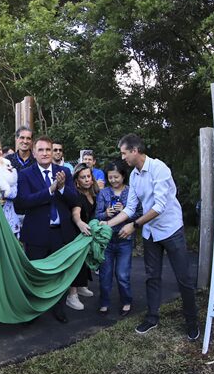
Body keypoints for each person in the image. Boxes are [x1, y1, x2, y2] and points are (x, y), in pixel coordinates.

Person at [104, 134, 199, 340]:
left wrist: (135, 225)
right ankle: (152, 317)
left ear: (135, 151)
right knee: (152, 276)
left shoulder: (159, 169)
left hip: (170, 229)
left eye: (124, 153)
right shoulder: (134, 176)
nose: (123, 158)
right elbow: (130, 208)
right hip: (150, 232)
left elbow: (159, 206)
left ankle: (192, 321)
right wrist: (107, 224)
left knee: (183, 277)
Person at [15, 137, 79, 323]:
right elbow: (22, 202)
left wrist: (61, 189)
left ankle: (58, 308)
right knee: (35, 274)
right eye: (41, 150)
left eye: (48, 150)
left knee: (59, 274)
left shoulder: (64, 171)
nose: (45, 153)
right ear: (34, 153)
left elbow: (74, 199)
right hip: (36, 234)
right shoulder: (25, 174)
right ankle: (33, 310)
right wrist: (50, 190)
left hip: (61, 232)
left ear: (53, 152)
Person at [95, 160, 138, 316]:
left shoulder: (131, 192)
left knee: (122, 274)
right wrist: (107, 213)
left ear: (123, 176)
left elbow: (139, 215)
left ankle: (126, 301)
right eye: (110, 177)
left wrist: (125, 211)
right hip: (106, 241)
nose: (113, 180)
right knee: (105, 275)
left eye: (116, 177)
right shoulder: (103, 193)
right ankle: (104, 302)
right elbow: (97, 215)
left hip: (124, 240)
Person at [67, 162, 99, 310]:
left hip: (88, 232)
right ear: (77, 181)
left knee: (85, 262)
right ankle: (72, 295)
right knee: (76, 263)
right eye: (82, 177)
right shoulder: (77, 196)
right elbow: (76, 214)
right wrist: (79, 222)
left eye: (88, 176)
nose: (86, 179)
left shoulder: (93, 193)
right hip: (76, 232)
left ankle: (81, 286)